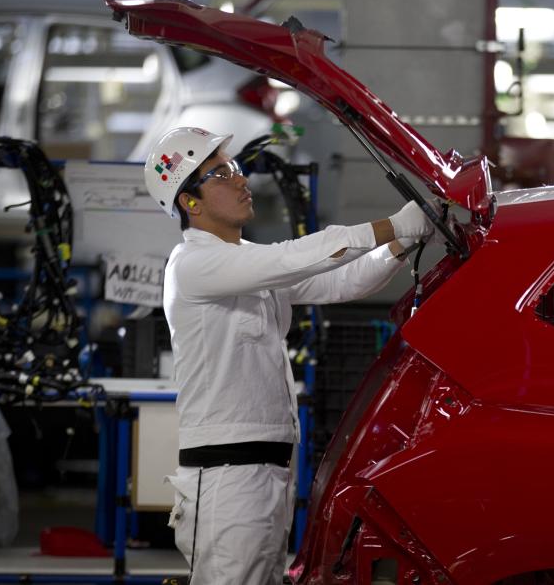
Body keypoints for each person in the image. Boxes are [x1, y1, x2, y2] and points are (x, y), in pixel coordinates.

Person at [144, 126, 435, 584]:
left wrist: (400, 245)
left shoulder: (246, 260)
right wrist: (392, 225)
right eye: (221, 173)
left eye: (237, 168)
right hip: (226, 475)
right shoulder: (193, 264)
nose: (241, 181)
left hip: (268, 469)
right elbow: (297, 257)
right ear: (189, 202)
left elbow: (342, 281)